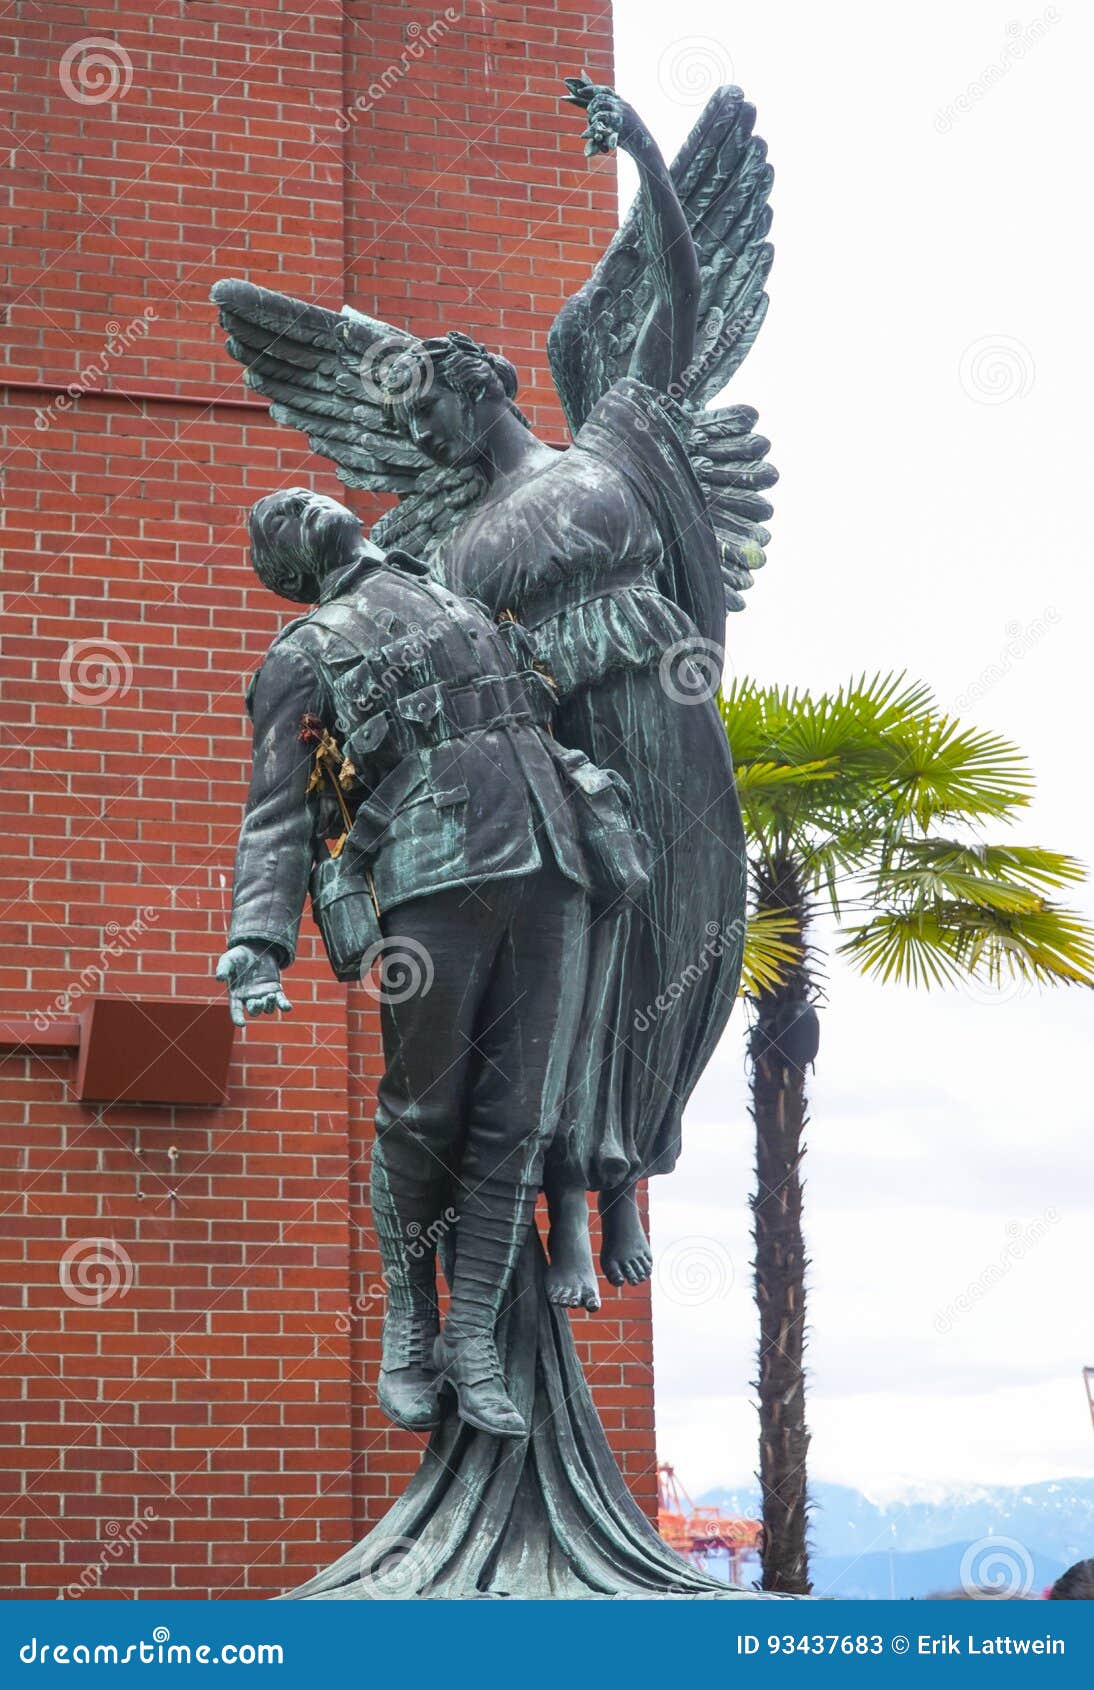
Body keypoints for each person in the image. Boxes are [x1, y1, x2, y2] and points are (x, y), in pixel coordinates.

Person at [215, 488, 648, 1441]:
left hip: (556, 861)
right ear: (292, 569)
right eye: (276, 516)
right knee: (421, 1117)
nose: (295, 498)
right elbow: (275, 811)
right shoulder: (299, 654)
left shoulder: (453, 591)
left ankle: (475, 1341)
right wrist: (257, 941)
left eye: (298, 494)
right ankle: (410, 1331)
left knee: (518, 1118)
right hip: (428, 870)